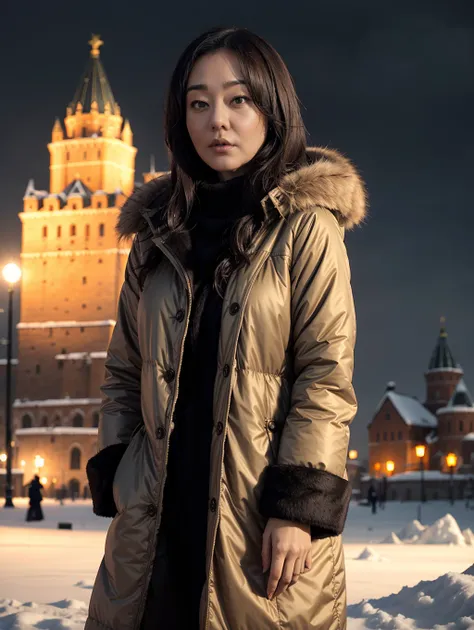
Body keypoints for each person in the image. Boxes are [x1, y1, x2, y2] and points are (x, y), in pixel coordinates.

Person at [85, 26, 366, 630]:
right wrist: (117, 474)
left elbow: (325, 377)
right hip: (155, 524)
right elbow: (124, 371)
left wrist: (298, 506)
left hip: (256, 524)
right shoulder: (154, 238)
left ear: (272, 107)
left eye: (239, 99)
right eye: (199, 102)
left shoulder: (307, 228)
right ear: (180, 116)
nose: (219, 120)